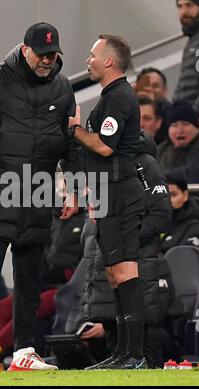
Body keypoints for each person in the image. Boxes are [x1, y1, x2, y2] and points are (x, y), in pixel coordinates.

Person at [0, 22, 80, 372]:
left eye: (53, 54)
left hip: (37, 194)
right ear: (25, 49)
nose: (48, 61)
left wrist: (71, 187)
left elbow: (70, 145)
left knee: (30, 278)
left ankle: (25, 351)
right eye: (42, 54)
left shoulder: (62, 87)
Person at [68, 35, 146, 369]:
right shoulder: (112, 97)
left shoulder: (119, 97)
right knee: (114, 273)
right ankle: (122, 352)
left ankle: (135, 355)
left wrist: (74, 129)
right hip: (107, 193)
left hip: (120, 194)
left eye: (92, 55)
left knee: (125, 271)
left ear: (109, 61)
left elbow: (104, 146)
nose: (88, 60)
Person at [157, 100, 199, 183]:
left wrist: (162, 176)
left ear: (197, 127)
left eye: (185, 124)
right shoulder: (161, 149)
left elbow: (195, 173)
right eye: (174, 125)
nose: (179, 130)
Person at [173, 0, 199, 117]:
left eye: (189, 5)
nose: (183, 12)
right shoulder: (194, 38)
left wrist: (195, 113)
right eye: (180, 6)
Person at [161, 172, 199, 253]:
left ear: (185, 195)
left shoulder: (196, 226)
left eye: (173, 195)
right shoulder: (152, 219)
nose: (168, 200)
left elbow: (184, 258)